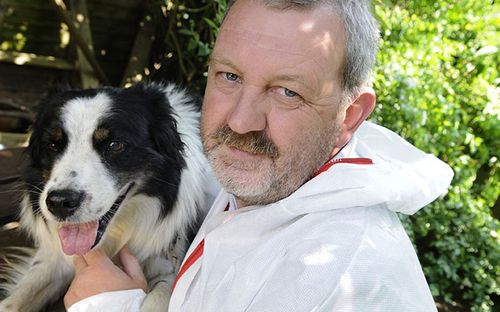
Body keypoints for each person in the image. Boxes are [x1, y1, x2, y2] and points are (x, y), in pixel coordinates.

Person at [65, 0, 454, 311]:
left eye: (287, 92)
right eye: (229, 76)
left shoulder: (329, 279)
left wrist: (109, 306)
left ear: (348, 116)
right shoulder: (275, 182)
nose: (239, 121)